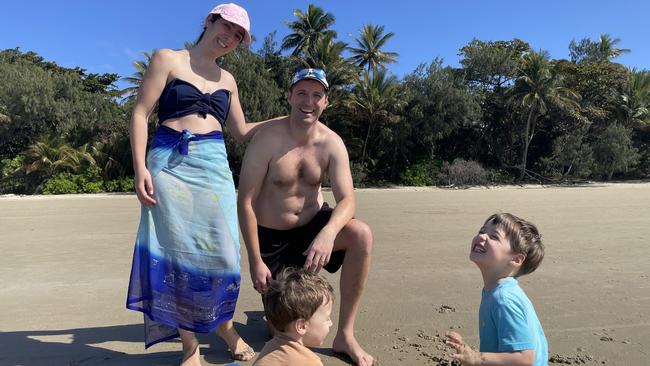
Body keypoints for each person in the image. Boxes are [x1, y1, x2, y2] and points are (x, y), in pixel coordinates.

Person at [126, 3, 265, 364]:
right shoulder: (168, 59)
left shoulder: (228, 80)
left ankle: (222, 324)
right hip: (169, 163)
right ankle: (190, 347)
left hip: (214, 166)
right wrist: (139, 166)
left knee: (224, 250)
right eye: (227, 27)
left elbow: (242, 131)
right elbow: (140, 113)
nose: (230, 38)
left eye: (238, 36)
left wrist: (292, 117)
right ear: (209, 20)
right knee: (177, 252)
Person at [237, 68, 375, 366]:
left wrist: (328, 233)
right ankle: (273, 310)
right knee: (280, 332)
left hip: (313, 229)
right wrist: (254, 260)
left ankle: (345, 335)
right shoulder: (267, 139)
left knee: (361, 234)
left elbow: (348, 199)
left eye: (316, 95)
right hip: (272, 238)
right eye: (301, 93)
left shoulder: (331, 143)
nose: (308, 101)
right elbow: (245, 201)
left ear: (326, 101)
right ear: (289, 96)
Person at [445, 213, 548, 366]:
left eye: (494, 236)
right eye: (482, 231)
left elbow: (524, 359)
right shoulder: (498, 291)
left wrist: (476, 358)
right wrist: (467, 351)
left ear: (516, 259)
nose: (482, 237)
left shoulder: (503, 299)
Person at [253, 267, 334, 366]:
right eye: (326, 319)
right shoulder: (310, 363)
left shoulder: (270, 347)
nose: (331, 323)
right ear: (302, 326)